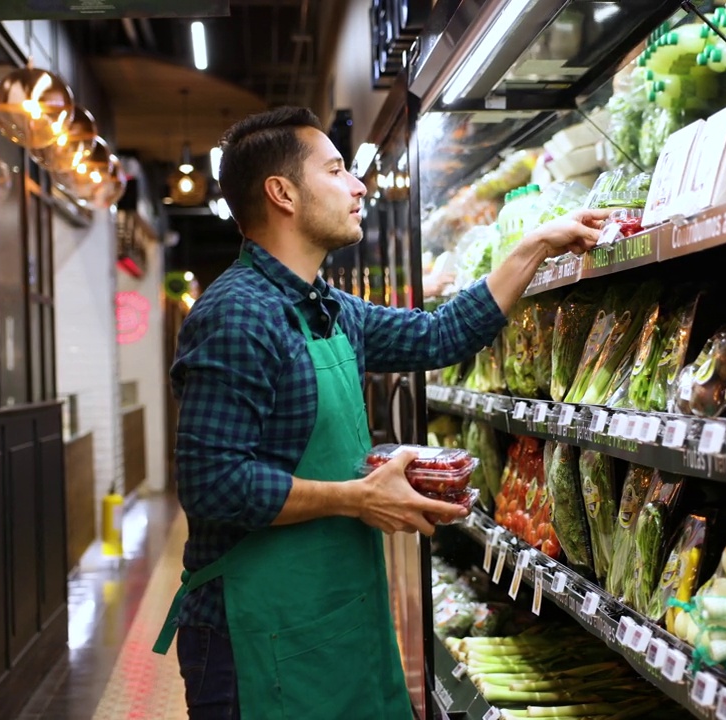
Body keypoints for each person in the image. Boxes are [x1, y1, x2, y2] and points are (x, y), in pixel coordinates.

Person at [152, 106, 608, 720]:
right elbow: (213, 485)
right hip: (256, 633)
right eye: (337, 170)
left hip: (336, 614)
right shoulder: (237, 314)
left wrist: (535, 245)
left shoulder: (327, 306)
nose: (359, 184)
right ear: (282, 193)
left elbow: (439, 335)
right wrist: (357, 497)